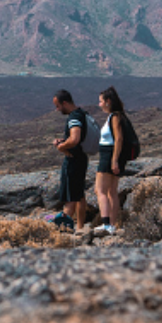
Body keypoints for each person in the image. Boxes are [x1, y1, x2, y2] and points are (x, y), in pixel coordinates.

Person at [94, 87, 135, 234]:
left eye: (101, 101)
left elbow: (119, 138)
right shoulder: (115, 116)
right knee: (111, 191)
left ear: (108, 101)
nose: (99, 104)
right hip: (111, 155)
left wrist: (114, 160)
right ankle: (111, 224)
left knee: (100, 190)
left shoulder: (115, 116)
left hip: (109, 155)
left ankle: (106, 224)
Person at [51, 89, 91, 229]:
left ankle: (63, 229)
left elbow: (75, 139)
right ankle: (80, 228)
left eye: (58, 106)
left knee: (71, 197)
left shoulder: (74, 118)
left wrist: (62, 147)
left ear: (65, 103)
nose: (57, 109)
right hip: (81, 158)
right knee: (79, 195)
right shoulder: (81, 113)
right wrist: (64, 141)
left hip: (73, 160)